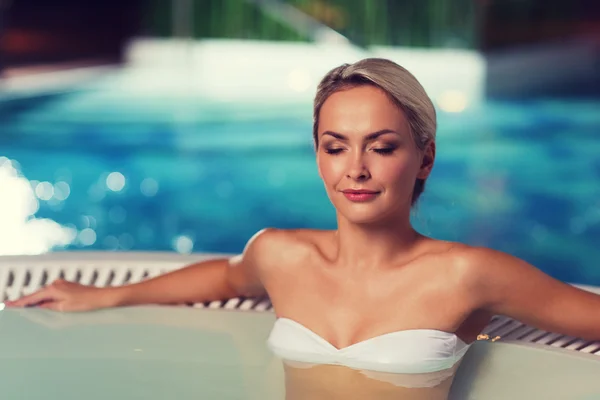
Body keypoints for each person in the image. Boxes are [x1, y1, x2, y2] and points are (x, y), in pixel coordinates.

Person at [6, 58, 600, 376]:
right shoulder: (282, 255)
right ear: (317, 153)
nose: (356, 169)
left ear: (425, 158)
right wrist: (106, 297)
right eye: (336, 145)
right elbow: (222, 278)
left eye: (383, 146)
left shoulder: (467, 274)